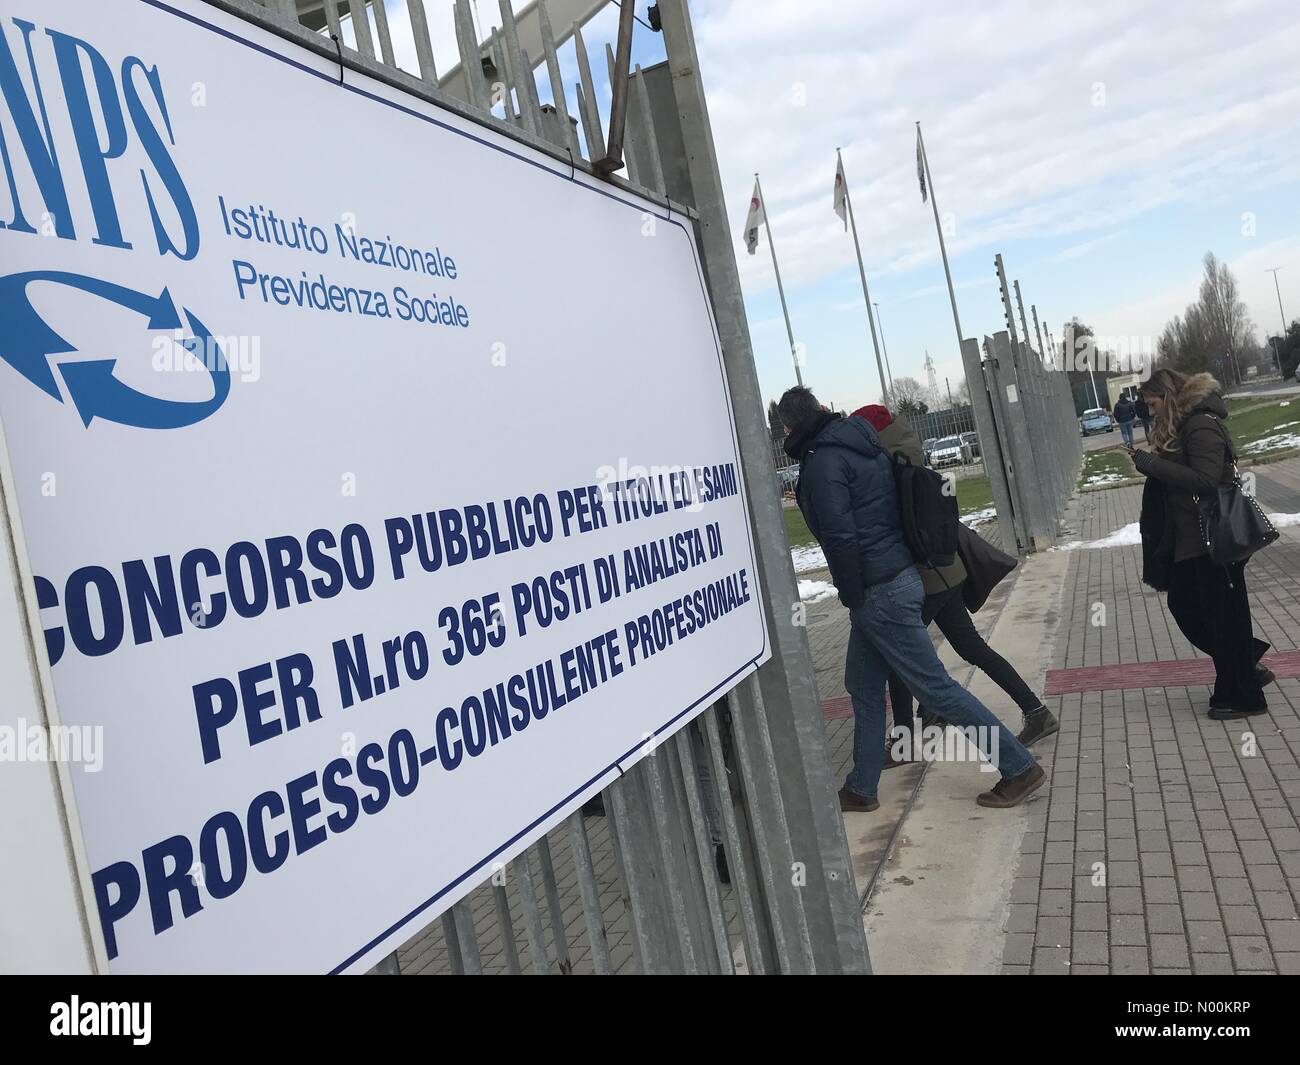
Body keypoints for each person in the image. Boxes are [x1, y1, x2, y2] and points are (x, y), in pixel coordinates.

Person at [779, 386, 1044, 811]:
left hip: (877, 591)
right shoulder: (861, 442)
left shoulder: (823, 463)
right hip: (896, 577)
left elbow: (841, 537)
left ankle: (1018, 767)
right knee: (863, 686)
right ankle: (862, 788)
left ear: (791, 427)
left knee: (937, 690)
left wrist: (852, 595)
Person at [852, 405, 1059, 761]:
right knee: (971, 647)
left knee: (896, 657)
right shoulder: (908, 452)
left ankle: (904, 745)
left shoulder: (884, 463)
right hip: (948, 568)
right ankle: (1036, 711)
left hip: (924, 575)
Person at [1132, 369, 1272, 719]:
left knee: (1223, 617)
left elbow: (1207, 480)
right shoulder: (1185, 426)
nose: (1151, 412)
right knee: (1193, 608)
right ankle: (1243, 665)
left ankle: (1241, 694)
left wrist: (1151, 465)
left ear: (1167, 396)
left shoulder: (1200, 425)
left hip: (1214, 540)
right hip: (1193, 541)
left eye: (1152, 404)